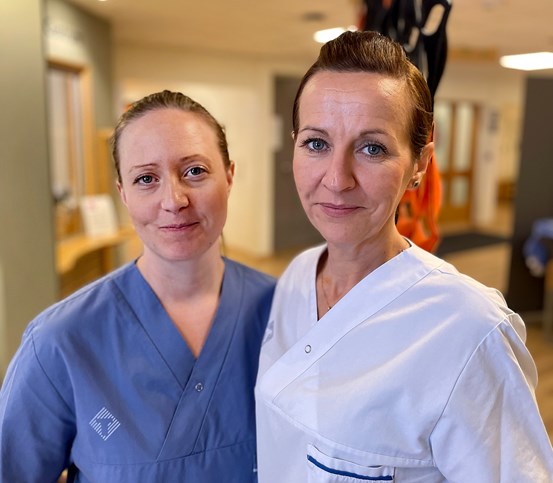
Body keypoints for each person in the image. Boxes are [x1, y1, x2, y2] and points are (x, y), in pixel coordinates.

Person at [255, 31, 553, 482]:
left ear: (419, 164)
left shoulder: (468, 330)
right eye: (316, 143)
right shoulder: (298, 275)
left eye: (372, 148)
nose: (337, 179)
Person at [0, 90, 275, 482]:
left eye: (195, 171)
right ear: (123, 194)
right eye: (146, 179)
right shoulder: (59, 343)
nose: (174, 200)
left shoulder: (286, 313)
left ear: (229, 176)